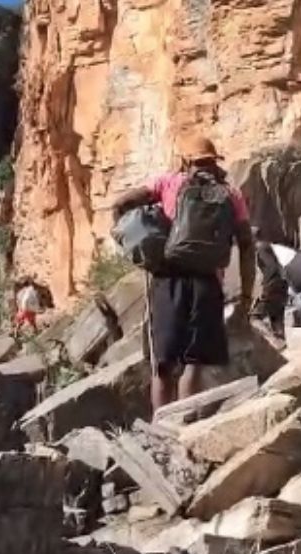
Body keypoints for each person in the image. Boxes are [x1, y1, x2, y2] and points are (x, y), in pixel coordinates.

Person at [112, 136, 256, 411]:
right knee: (194, 364)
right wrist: (247, 296)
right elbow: (247, 245)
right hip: (208, 282)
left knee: (162, 365)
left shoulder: (168, 182)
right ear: (215, 161)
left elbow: (122, 202)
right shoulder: (231, 194)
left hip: (168, 278)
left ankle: (161, 427)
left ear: (185, 161)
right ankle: (185, 424)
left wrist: (126, 234)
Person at [250, 229, 292, 337]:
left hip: (272, 287)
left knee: (255, 317)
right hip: (281, 285)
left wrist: (265, 287)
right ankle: (280, 343)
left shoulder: (261, 248)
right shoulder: (269, 247)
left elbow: (271, 267)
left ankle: (270, 340)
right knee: (277, 318)